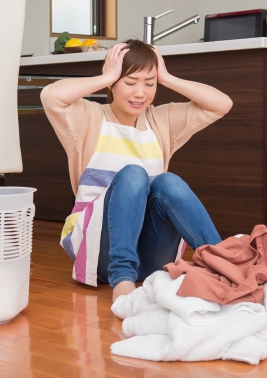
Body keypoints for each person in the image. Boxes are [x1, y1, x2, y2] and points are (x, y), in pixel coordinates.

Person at [41, 39, 233, 302]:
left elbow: (221, 104)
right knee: (133, 174)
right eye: (130, 83)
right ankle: (122, 279)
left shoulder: (160, 121)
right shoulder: (88, 119)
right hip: (99, 253)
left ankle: (226, 264)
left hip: (151, 258)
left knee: (168, 182)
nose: (140, 93)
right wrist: (106, 76)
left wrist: (166, 77)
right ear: (113, 83)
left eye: (149, 84)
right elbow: (50, 96)